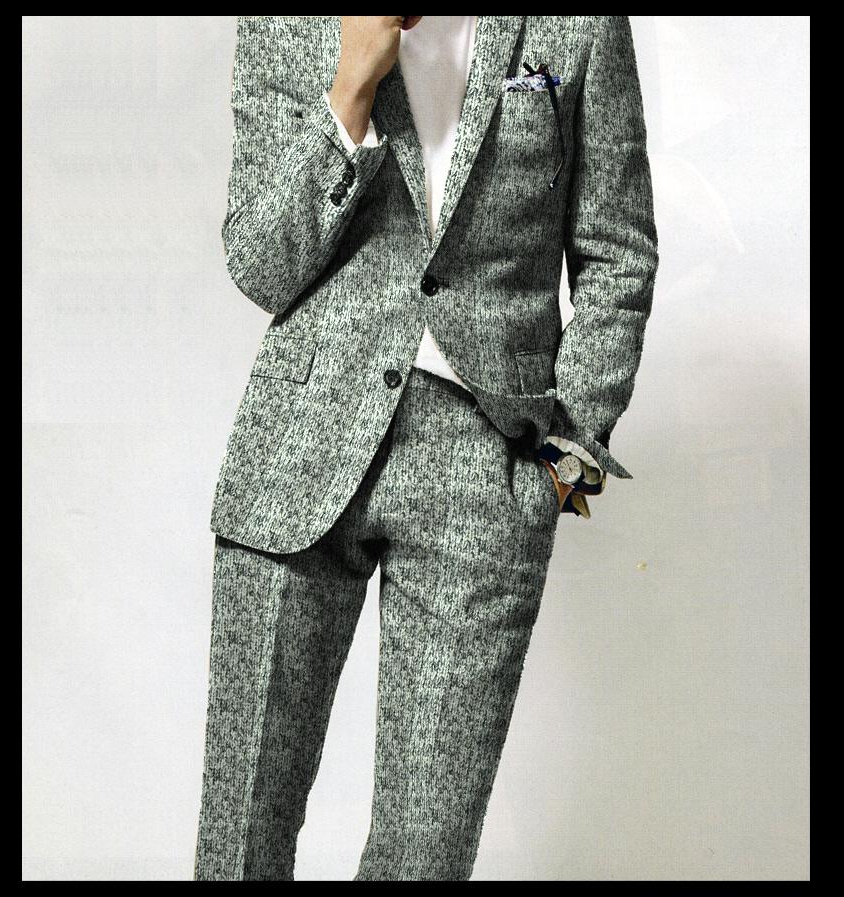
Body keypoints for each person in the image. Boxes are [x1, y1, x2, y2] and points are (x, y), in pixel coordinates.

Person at [195, 15, 659, 881]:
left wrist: (562, 468)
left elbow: (618, 252)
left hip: (487, 472)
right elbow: (259, 263)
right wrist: (350, 92)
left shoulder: (582, 24)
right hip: (300, 446)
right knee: (240, 841)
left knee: (425, 859)